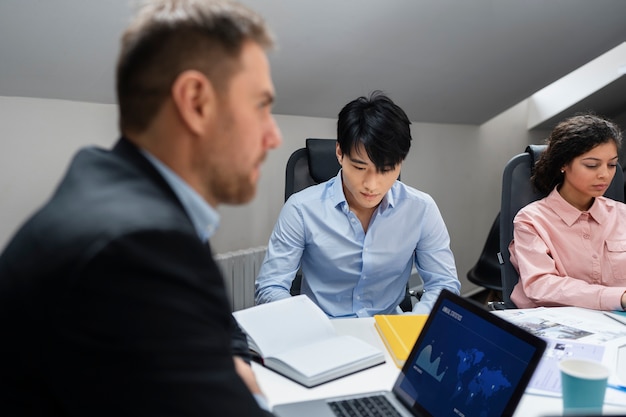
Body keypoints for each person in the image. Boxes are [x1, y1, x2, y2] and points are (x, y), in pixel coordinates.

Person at [0, 0, 282, 416]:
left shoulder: (124, 193)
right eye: (261, 105)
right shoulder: (140, 246)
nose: (273, 136)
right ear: (196, 101)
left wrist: (228, 364)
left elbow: (219, 329)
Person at [255, 91, 460, 317]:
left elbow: (444, 284)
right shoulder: (301, 209)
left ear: (401, 162)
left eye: (386, 170)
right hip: (323, 331)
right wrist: (308, 325)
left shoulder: (421, 209)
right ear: (340, 153)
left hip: (388, 331)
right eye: (360, 168)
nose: (372, 185)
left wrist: (413, 326)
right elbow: (270, 287)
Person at [509, 113, 626, 310]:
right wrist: (618, 297)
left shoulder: (622, 215)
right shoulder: (531, 220)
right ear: (563, 163)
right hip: (557, 327)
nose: (605, 174)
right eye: (591, 165)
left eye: (612, 164)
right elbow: (540, 286)